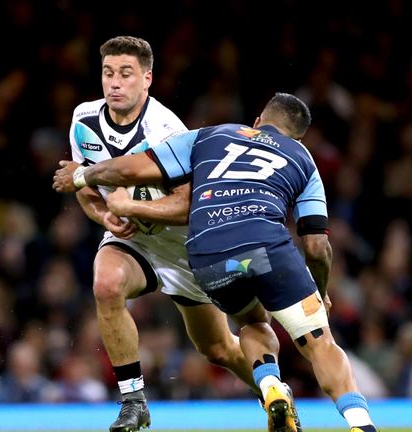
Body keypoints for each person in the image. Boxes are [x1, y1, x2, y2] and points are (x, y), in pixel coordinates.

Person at [54, 93, 377, 432]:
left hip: (208, 251)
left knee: (251, 325)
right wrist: (321, 290)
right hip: (264, 243)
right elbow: (316, 245)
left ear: (256, 122)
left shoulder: (211, 134)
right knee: (318, 341)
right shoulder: (301, 157)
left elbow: (130, 166)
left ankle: (271, 388)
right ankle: (360, 423)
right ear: (297, 136)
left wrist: (81, 177)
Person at [59, 35, 287, 432]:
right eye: (108, 73)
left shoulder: (166, 130)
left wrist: (132, 208)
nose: (114, 83)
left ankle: (275, 397)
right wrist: (103, 218)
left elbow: (187, 205)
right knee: (106, 283)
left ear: (147, 79)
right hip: (136, 243)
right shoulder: (84, 119)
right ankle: (134, 401)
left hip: (186, 248)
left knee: (217, 349)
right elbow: (86, 187)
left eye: (125, 74)